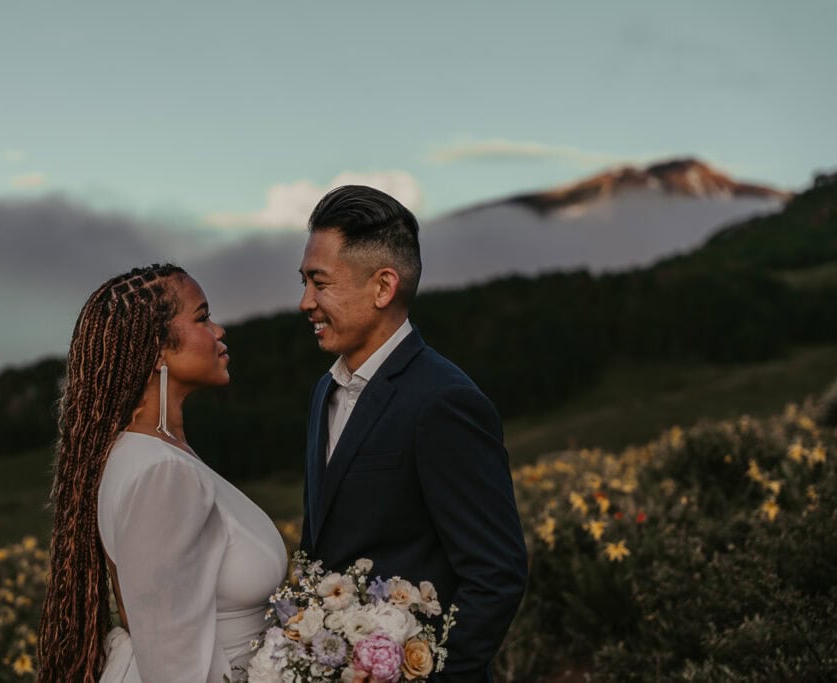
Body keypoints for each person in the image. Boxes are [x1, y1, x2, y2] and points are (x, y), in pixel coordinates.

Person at [298, 186, 529, 682]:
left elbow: (496, 574)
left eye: (320, 283)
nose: (305, 303)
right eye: (304, 282)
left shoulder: (444, 401)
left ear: (383, 287)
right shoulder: (324, 391)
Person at [36, 263, 287, 683]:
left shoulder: (157, 454)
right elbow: (174, 668)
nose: (219, 331)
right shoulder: (162, 473)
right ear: (156, 351)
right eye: (203, 317)